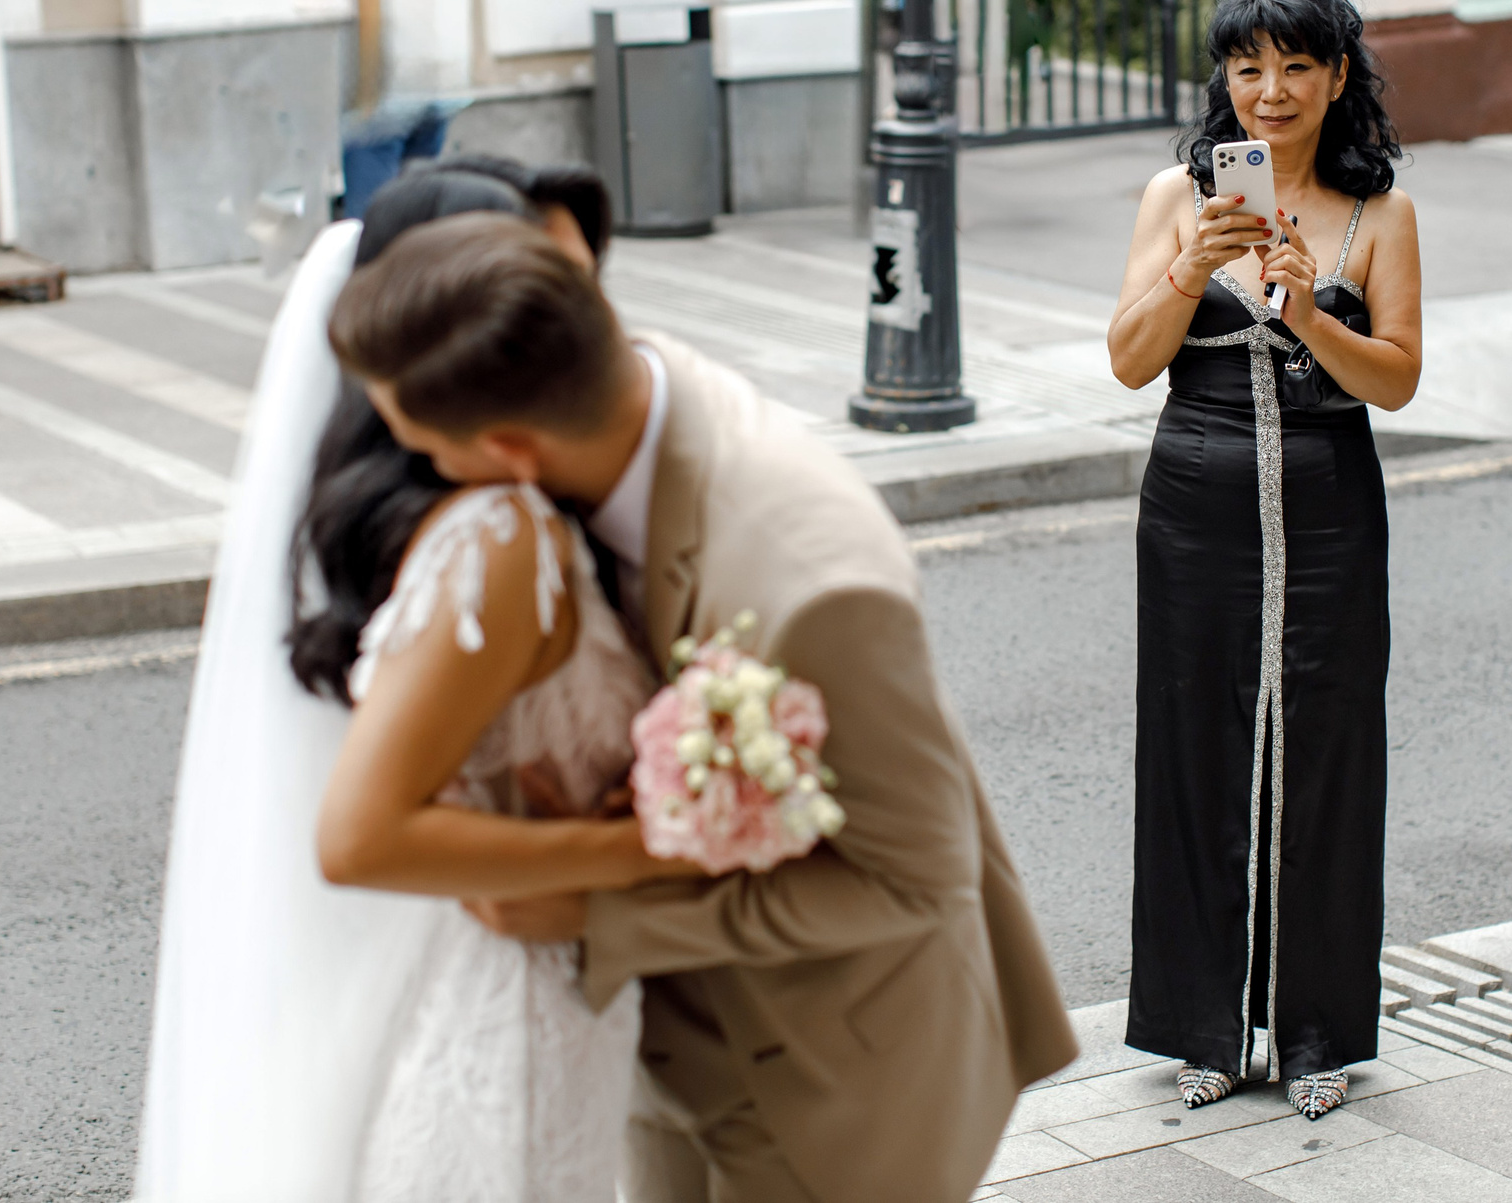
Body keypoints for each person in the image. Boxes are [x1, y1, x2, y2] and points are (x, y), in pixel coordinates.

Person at [354, 213, 1078, 1203]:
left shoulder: (813, 585)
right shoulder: (618, 400)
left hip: (834, 1085)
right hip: (669, 1043)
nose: (424, 481)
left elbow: (915, 884)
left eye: (429, 453)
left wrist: (605, 908)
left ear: (511, 447)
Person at [133, 155, 631, 1203]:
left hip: (516, 1003)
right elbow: (365, 833)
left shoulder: (467, 512)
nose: (581, 326)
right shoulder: (495, 534)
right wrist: (649, 846)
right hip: (509, 1025)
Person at [1104, 0, 1422, 1121]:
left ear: (1339, 78)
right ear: (1224, 80)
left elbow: (1396, 379)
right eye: (1249, 68)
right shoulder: (1170, 196)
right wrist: (1194, 265)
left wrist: (1304, 309)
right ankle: (1203, 1027)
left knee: (1330, 760)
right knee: (1195, 751)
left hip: (1333, 506)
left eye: (1296, 66)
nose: (1270, 92)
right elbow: (1130, 361)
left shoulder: (1375, 213)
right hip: (1194, 501)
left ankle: (1316, 1031)